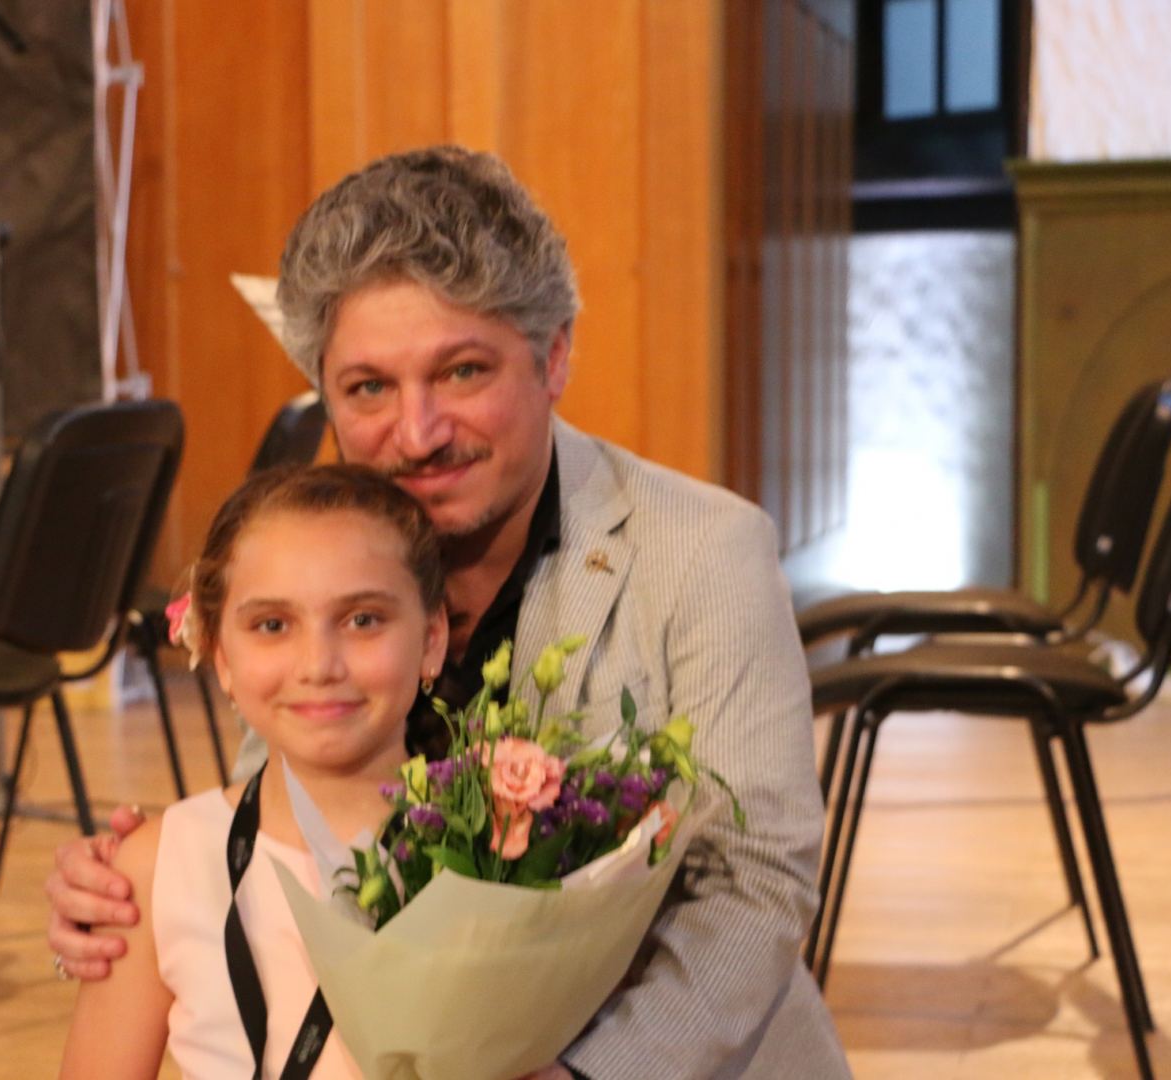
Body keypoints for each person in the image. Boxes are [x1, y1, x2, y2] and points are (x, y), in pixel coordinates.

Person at [49, 146, 851, 1078]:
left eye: (463, 372)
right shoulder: (320, 558)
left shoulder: (703, 551)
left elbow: (753, 886)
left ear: (553, 357)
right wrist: (125, 900)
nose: (418, 433)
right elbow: (280, 822)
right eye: (369, 388)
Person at [60, 464, 448, 1078]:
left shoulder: (497, 853)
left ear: (431, 638)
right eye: (273, 626)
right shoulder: (160, 864)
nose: (318, 665)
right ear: (221, 655)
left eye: (363, 619)